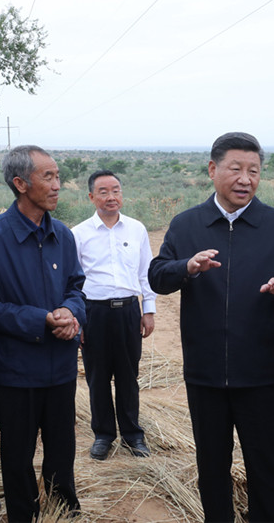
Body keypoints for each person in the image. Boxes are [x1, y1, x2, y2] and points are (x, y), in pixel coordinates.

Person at [148, 132, 274, 522]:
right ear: (213, 170)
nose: (246, 179)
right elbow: (158, 276)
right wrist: (186, 267)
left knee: (268, 464)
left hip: (263, 372)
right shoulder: (186, 224)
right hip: (205, 372)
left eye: (254, 171)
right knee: (212, 464)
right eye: (236, 169)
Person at [0, 145, 85, 522]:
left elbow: (76, 286)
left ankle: (64, 510)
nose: (57, 185)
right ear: (20, 183)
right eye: (47, 177)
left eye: (57, 176)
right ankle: (24, 515)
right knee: (17, 454)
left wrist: (70, 311)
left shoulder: (63, 235)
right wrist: (41, 320)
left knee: (62, 448)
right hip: (15, 371)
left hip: (62, 367)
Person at [72, 169, 157, 460]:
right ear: (91, 196)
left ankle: (133, 434)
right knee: (97, 377)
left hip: (128, 312)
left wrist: (148, 310)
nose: (111, 197)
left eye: (116, 190)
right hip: (93, 313)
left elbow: (146, 273)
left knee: (128, 376)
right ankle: (104, 435)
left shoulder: (137, 229)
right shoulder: (79, 234)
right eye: (104, 192)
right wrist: (78, 319)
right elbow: (72, 282)